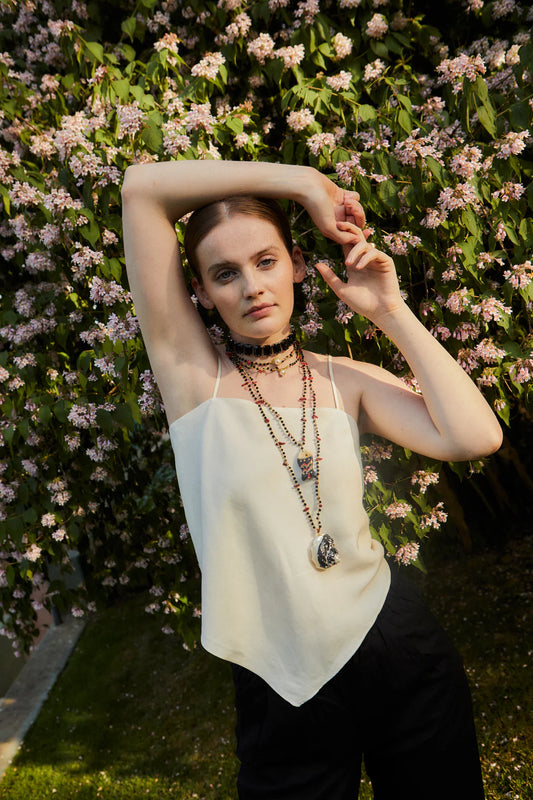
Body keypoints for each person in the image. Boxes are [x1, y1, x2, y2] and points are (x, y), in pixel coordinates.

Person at [121, 160, 502, 800]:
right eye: (225, 274)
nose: (251, 287)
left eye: (266, 261)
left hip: (395, 644)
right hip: (276, 676)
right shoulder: (192, 378)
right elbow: (141, 189)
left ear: (297, 264)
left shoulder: (341, 378)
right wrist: (300, 182)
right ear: (202, 292)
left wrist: (390, 310)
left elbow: (475, 437)